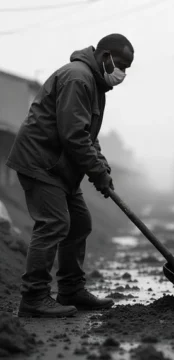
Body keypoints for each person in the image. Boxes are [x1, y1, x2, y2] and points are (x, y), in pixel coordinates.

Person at [6, 33, 134, 318]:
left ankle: (71, 290)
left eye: (128, 68)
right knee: (54, 223)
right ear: (104, 57)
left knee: (79, 223)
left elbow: (88, 136)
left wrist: (102, 169)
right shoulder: (78, 78)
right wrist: (96, 172)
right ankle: (34, 297)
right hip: (41, 162)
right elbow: (73, 135)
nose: (123, 73)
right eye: (121, 65)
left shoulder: (95, 84)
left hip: (61, 166)